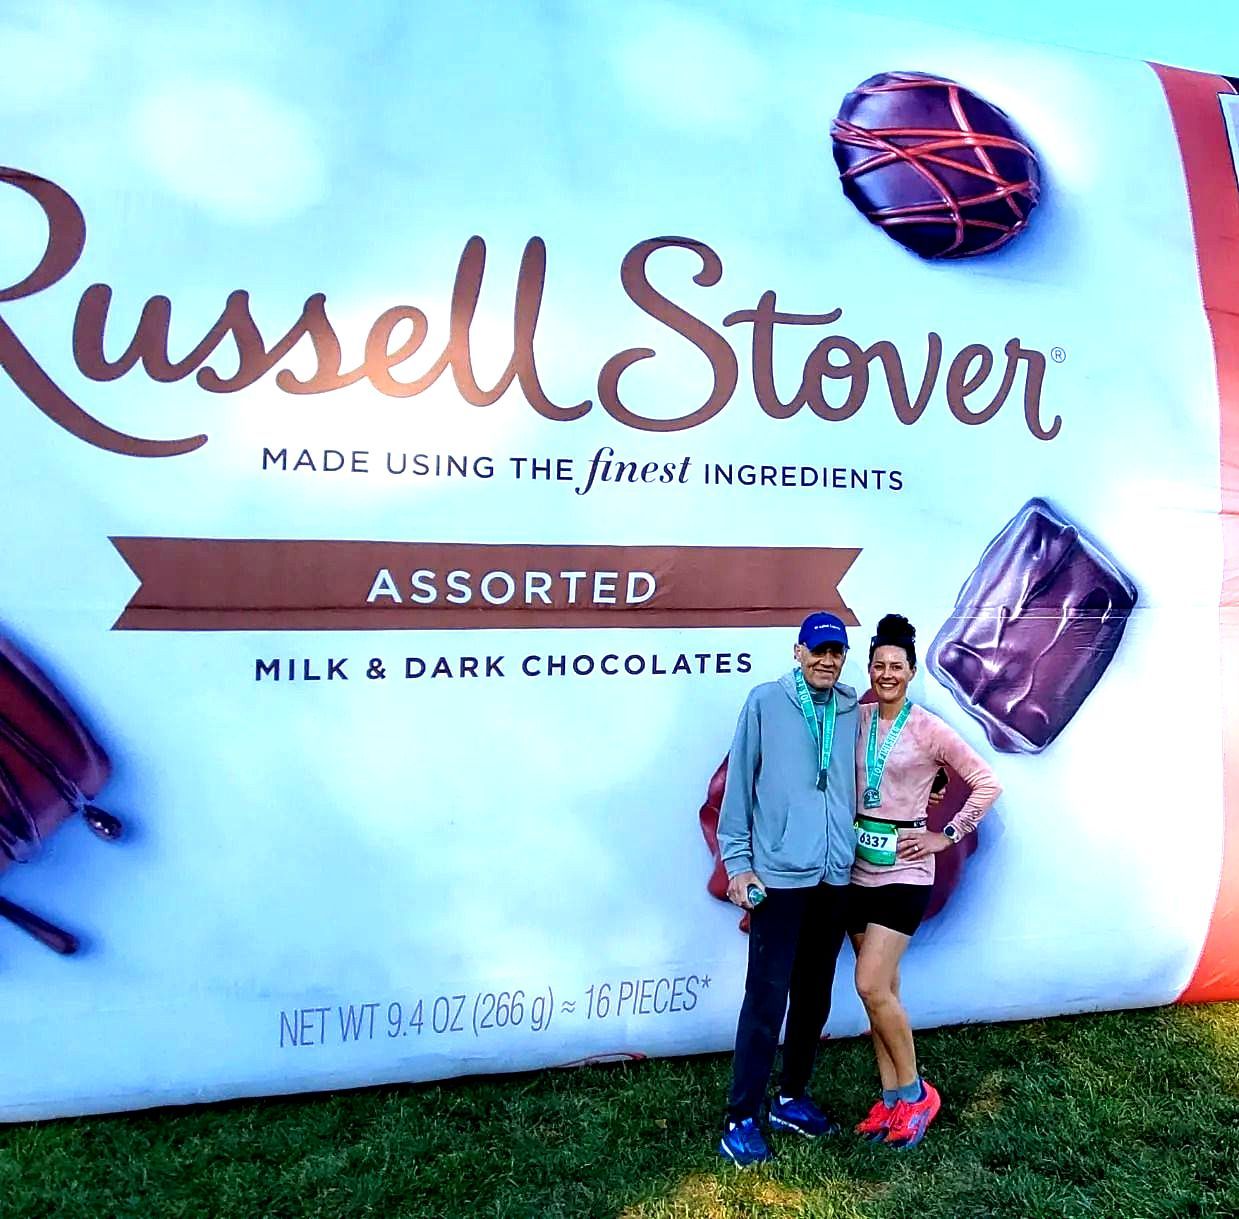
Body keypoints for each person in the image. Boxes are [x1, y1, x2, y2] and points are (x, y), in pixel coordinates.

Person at [848, 613, 1001, 1149]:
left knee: (868, 982)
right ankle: (890, 1101)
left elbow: (987, 782)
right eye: (879, 665)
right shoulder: (858, 718)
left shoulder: (928, 727)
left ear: (911, 672)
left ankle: (916, 1096)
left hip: (906, 870)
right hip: (856, 869)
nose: (887, 673)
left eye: (897, 666)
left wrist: (947, 834)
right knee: (882, 992)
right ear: (869, 669)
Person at [715, 611, 860, 1165]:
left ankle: (791, 1096)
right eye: (818, 650)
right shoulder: (765, 703)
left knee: (815, 996)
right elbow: (737, 791)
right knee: (765, 999)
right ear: (797, 651)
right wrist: (738, 863)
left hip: (833, 875)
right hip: (778, 877)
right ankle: (740, 1117)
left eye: (837, 652)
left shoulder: (851, 707)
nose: (827, 660)